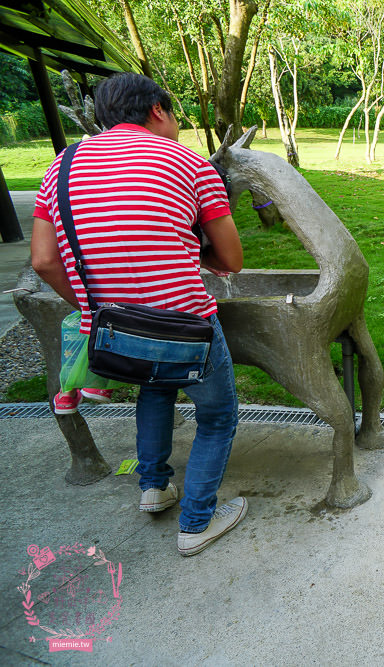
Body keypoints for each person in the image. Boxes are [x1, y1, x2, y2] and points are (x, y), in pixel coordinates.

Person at [30, 72, 248, 556]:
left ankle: (154, 488)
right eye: (173, 116)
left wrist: (91, 306)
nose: (175, 126)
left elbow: (44, 260)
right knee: (217, 414)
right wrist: (195, 252)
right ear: (157, 111)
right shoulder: (191, 164)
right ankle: (197, 521)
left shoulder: (59, 168)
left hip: (115, 332)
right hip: (186, 325)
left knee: (155, 388)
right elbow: (231, 260)